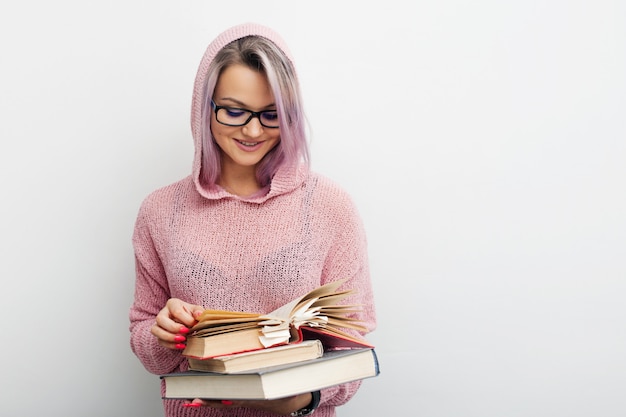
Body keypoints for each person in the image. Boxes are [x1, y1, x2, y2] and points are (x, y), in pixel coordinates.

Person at [128, 22, 377, 417]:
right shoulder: (160, 211)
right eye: (233, 111)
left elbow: (351, 345)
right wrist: (162, 334)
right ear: (203, 107)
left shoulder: (331, 206)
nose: (253, 129)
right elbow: (145, 340)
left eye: (271, 114)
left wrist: (297, 398)